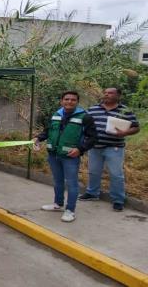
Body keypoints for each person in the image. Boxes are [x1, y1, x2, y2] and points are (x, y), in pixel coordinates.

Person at [33, 91, 97, 222]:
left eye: (73, 100)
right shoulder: (56, 115)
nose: (69, 102)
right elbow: (48, 131)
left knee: (72, 183)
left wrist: (80, 149)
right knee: (57, 181)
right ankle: (58, 204)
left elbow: (93, 138)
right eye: (66, 99)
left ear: (77, 102)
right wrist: (38, 138)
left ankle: (70, 210)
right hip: (53, 155)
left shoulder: (85, 117)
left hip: (70, 157)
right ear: (61, 101)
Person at [80, 87, 140, 212]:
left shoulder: (125, 111)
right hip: (94, 147)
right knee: (93, 171)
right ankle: (92, 193)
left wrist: (126, 132)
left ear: (118, 96)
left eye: (110, 93)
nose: (106, 95)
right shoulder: (92, 109)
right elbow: (83, 124)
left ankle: (118, 200)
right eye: (105, 93)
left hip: (114, 147)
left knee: (116, 174)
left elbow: (136, 127)